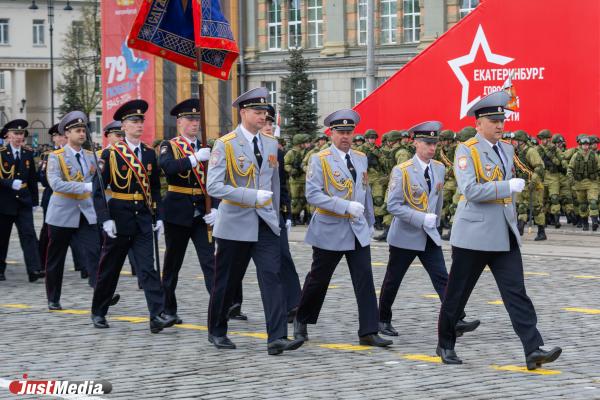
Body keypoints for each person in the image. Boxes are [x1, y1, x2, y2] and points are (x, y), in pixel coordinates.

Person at [436, 90, 561, 370]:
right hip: (474, 235)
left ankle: (533, 348)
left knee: (516, 293)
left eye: (501, 120)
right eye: (493, 121)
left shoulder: (507, 149)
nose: (500, 125)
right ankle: (445, 344)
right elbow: (469, 189)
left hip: (503, 233)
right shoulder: (466, 150)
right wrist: (506, 187)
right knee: (458, 294)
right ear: (478, 124)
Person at [206, 87, 303, 355]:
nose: (263, 117)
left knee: (272, 277)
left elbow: (273, 184)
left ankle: (277, 337)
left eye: (265, 113)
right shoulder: (225, 144)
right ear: (244, 112)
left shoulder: (271, 144)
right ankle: (217, 329)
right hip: (235, 224)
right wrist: (252, 196)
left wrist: (278, 216)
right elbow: (214, 186)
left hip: (265, 224)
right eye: (258, 112)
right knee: (227, 281)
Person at [293, 109, 392, 348]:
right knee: (319, 279)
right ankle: (301, 319)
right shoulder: (320, 158)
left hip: (357, 228)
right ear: (331, 133)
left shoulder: (360, 158)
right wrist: (345, 205)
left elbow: (365, 190)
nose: (345, 137)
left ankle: (368, 330)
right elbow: (313, 194)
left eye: (349, 132)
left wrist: (370, 221)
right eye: (340, 132)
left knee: (364, 279)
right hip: (330, 227)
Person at [378, 121, 479, 337]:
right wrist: (422, 218)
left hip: (428, 235)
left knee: (443, 278)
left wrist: (435, 221)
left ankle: (456, 319)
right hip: (405, 236)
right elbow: (393, 205)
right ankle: (382, 319)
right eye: (427, 143)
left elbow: (438, 199)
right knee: (393, 280)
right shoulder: (402, 170)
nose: (432, 148)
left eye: (435, 144)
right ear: (416, 143)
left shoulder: (439, 168)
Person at [91, 99, 176, 333]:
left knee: (147, 267)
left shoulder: (149, 154)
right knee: (111, 267)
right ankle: (98, 310)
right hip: (119, 217)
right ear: (124, 126)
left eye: (141, 121)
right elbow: (98, 189)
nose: (139, 125)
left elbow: (155, 187)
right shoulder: (110, 154)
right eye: (134, 122)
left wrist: (158, 215)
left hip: (142, 218)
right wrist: (104, 219)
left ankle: (156, 315)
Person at [159, 98, 217, 324]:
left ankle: (218, 307)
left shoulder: (206, 147)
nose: (195, 123)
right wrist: (193, 159)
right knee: (173, 263)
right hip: (178, 212)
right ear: (180, 122)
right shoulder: (170, 145)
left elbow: (216, 180)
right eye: (190, 119)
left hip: (202, 212)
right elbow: (168, 167)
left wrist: (217, 208)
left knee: (210, 262)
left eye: (197, 119)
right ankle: (168, 308)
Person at [44, 111, 107, 310]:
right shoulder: (56, 157)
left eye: (84, 130)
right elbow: (56, 184)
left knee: (95, 253)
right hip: (62, 214)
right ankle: (53, 298)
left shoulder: (91, 156)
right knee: (56, 258)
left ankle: (102, 294)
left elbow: (98, 181)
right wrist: (85, 187)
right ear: (67, 134)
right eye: (78, 131)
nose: (82, 134)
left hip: (86, 213)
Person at [0, 119, 44, 282]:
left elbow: (32, 179)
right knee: (2, 238)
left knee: (29, 235)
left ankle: (34, 269)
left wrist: (34, 201)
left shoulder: (27, 153)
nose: (19, 137)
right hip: (4, 203)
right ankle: (0, 269)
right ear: (8, 135)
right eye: (16, 134)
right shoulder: (1, 153)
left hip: (23, 202)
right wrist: (10, 183)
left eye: (22, 134)